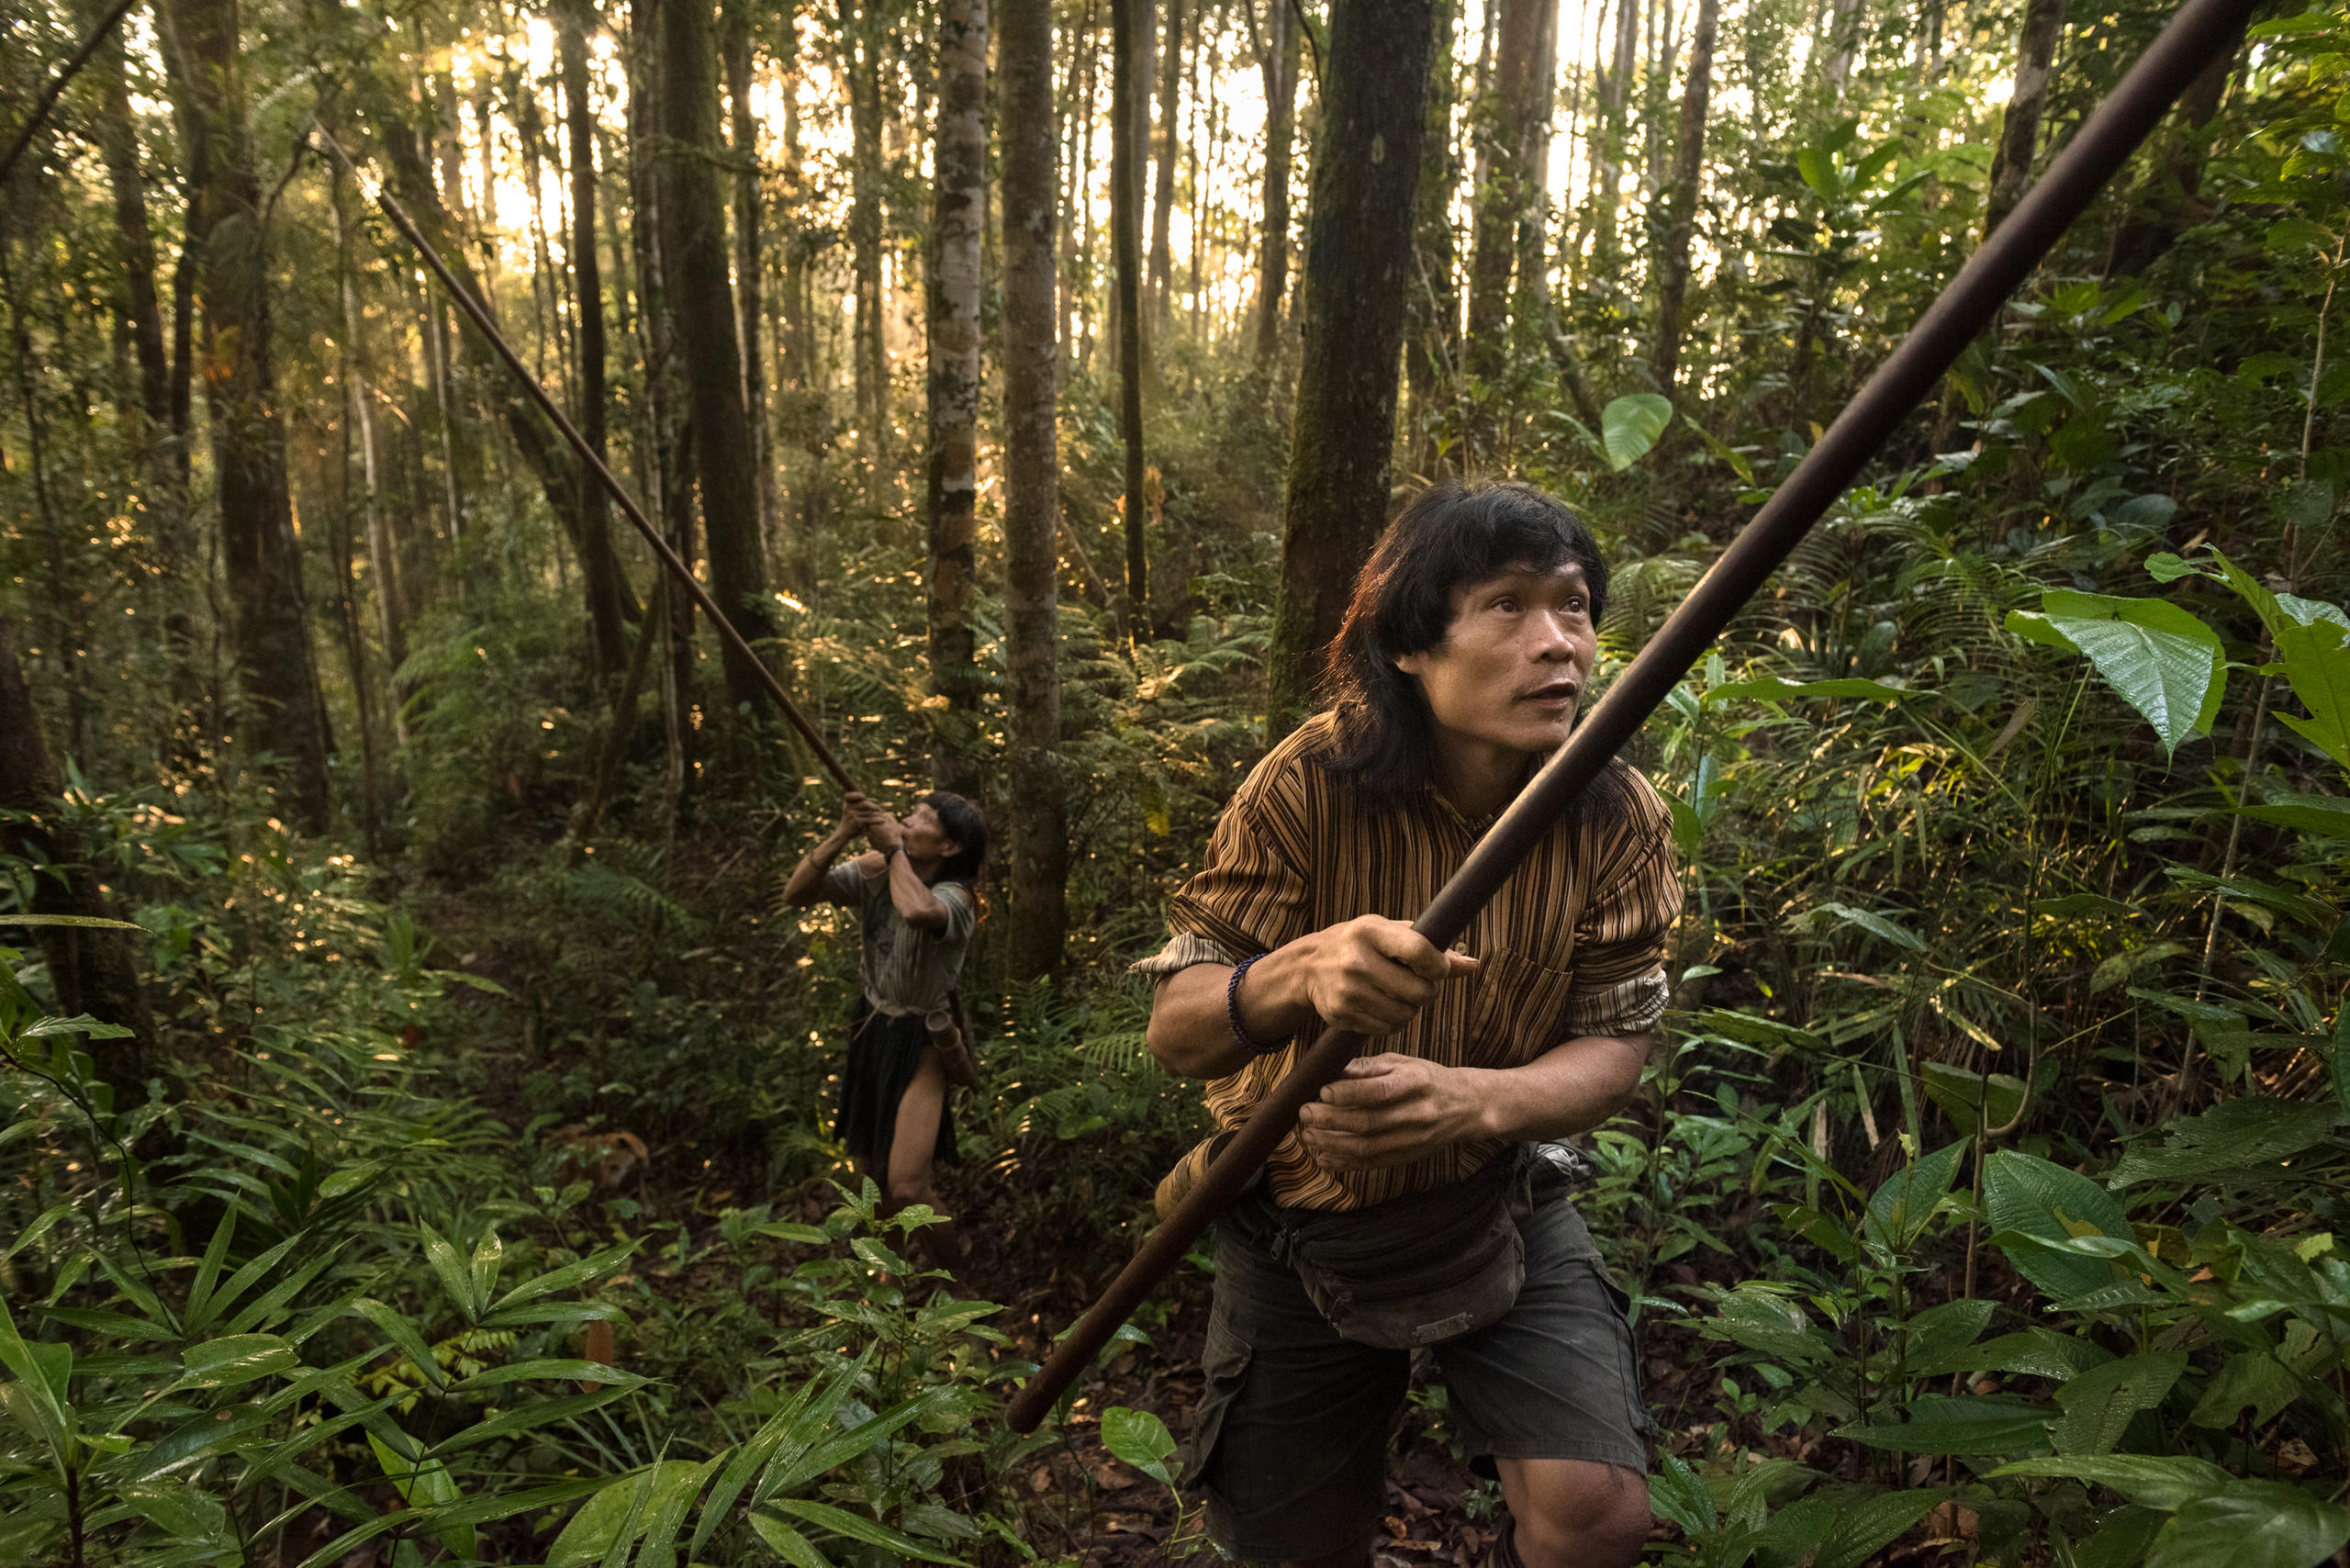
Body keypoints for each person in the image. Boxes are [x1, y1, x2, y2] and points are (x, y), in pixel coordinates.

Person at [1136, 480, 1681, 1568]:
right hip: (1296, 1222)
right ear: (1408, 645)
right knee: (1294, 1549)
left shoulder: (1615, 813)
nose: (1556, 642)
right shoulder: (1307, 784)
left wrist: (1475, 1102)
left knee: (1594, 1515)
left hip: (1496, 1197)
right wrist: (1295, 974)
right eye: (1507, 605)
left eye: (1573, 605)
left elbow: (1616, 1045)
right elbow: (1177, 1031)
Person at [782, 788, 988, 1256]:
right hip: (873, 1026)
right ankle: (888, 1277)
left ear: (949, 846)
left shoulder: (955, 896)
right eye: (911, 813)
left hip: (924, 1040)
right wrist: (842, 833)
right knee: (873, 1180)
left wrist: (893, 847)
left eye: (923, 819)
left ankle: (955, 1272)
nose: (908, 821)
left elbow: (918, 912)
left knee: (908, 1188)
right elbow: (796, 894)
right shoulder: (877, 869)